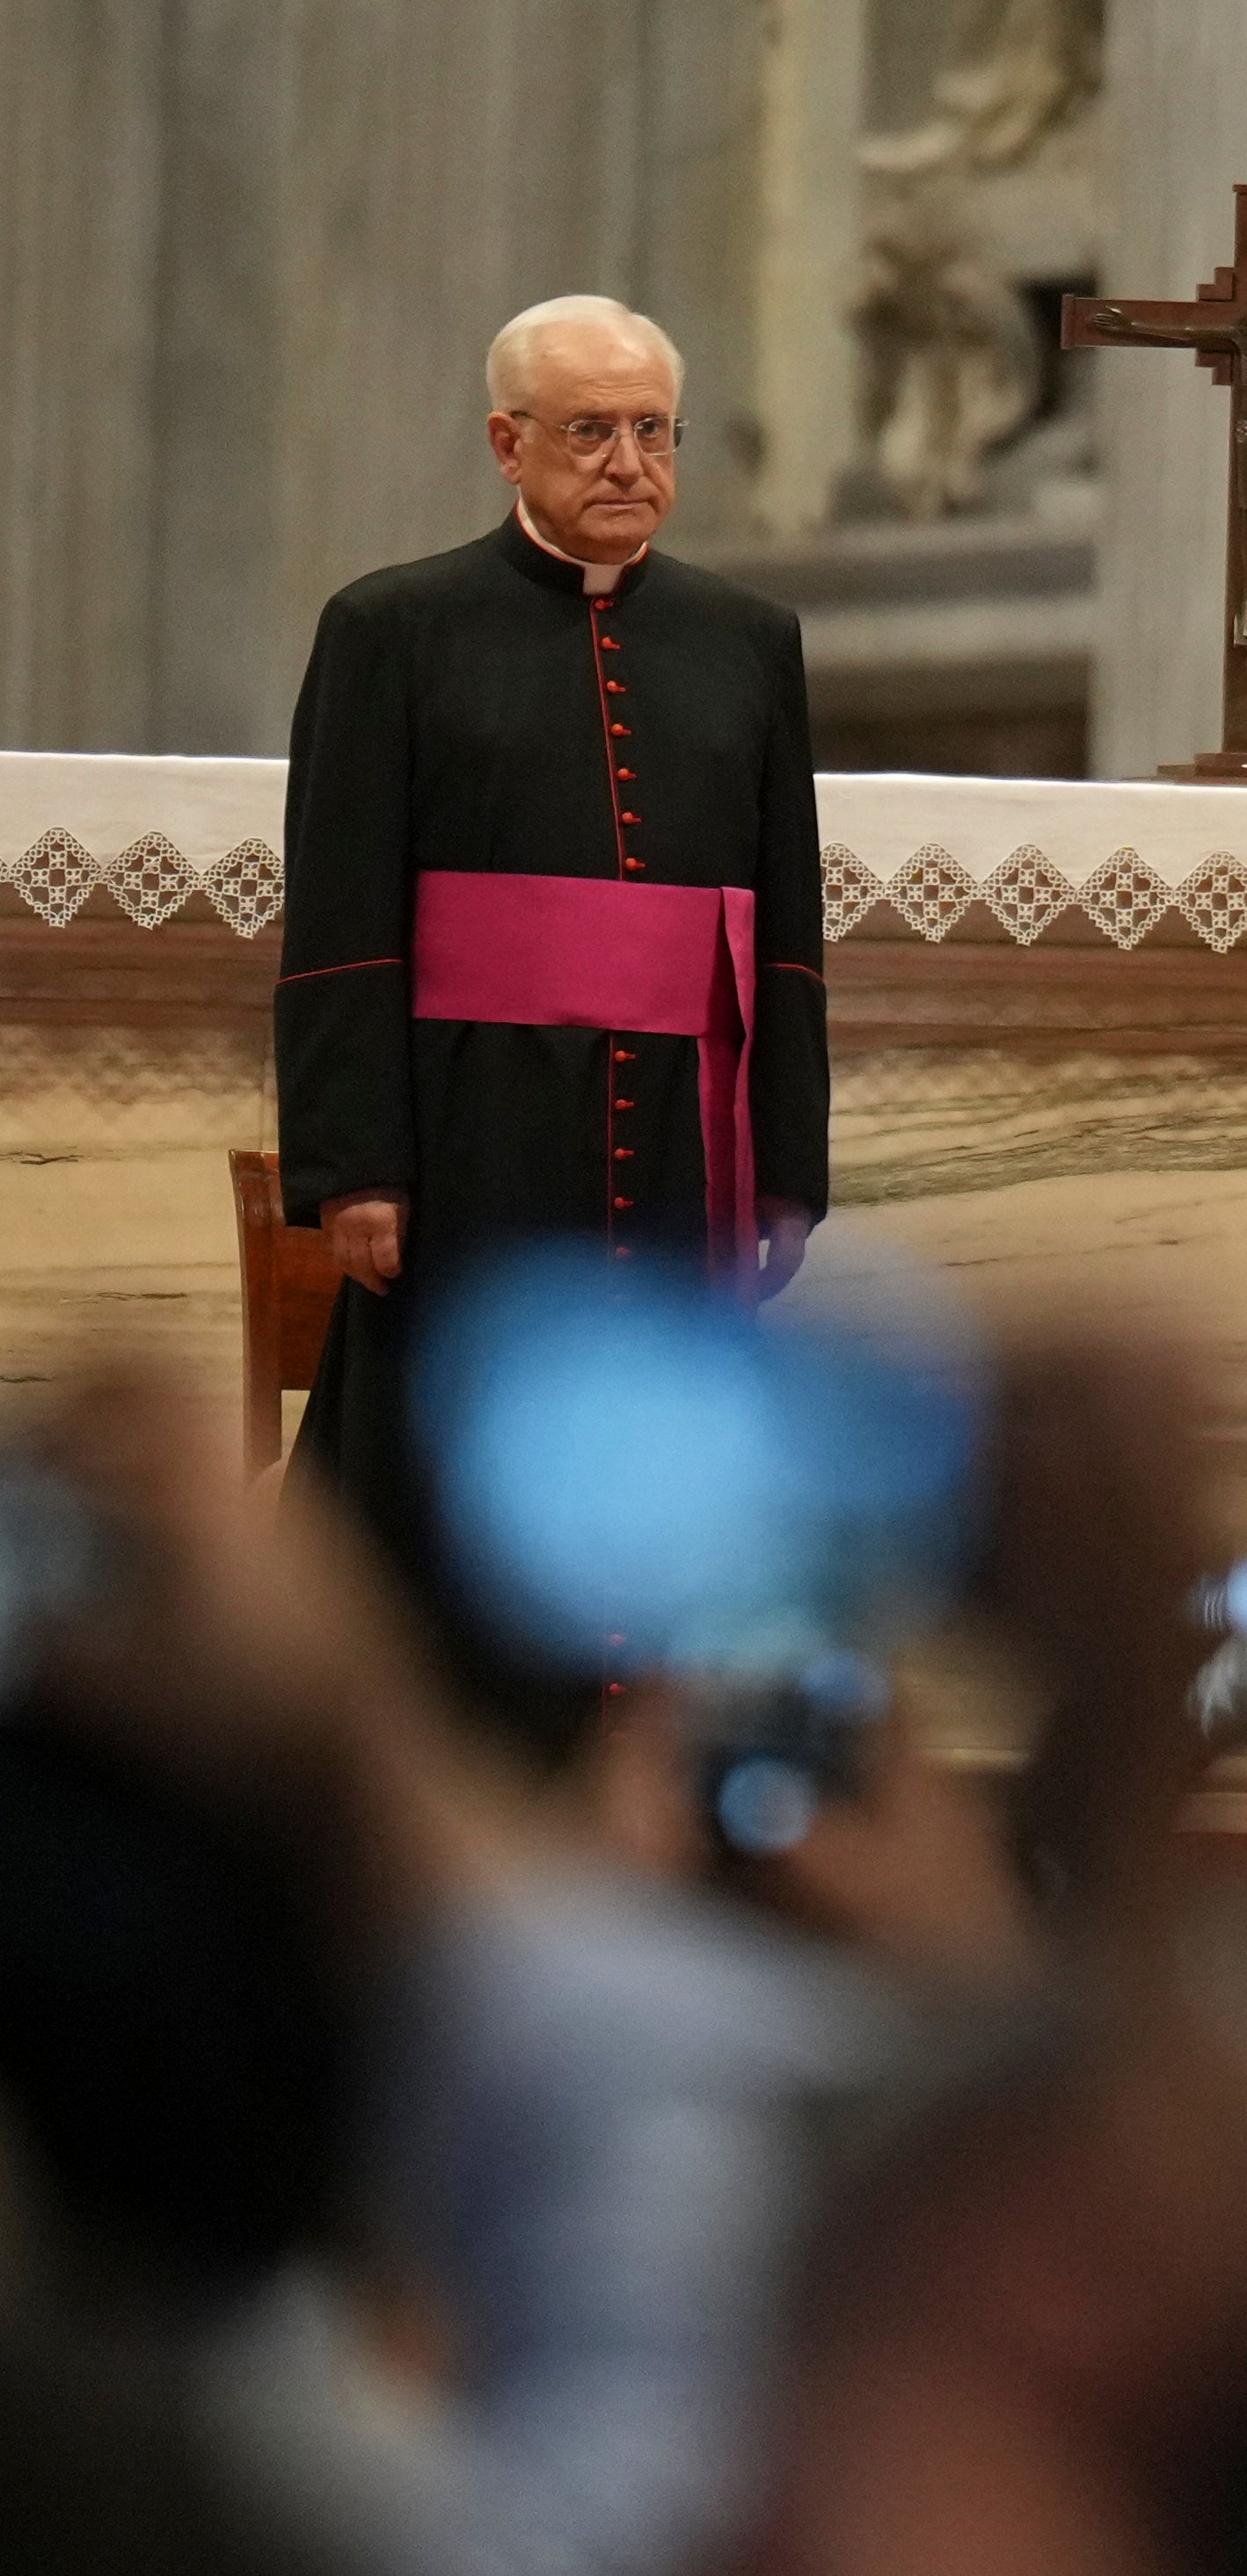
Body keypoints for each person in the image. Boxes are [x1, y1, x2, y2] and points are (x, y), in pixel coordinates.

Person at [274, 296, 829, 1757]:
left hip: (682, 1141)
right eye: (592, 431)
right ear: (507, 443)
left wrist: (787, 1169)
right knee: (458, 1448)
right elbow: (339, 917)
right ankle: (449, 1754)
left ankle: (660, 1757)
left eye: (655, 431)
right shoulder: (391, 627)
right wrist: (356, 1168)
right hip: (474, 1126)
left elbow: (783, 931)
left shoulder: (747, 638)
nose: (629, 463)